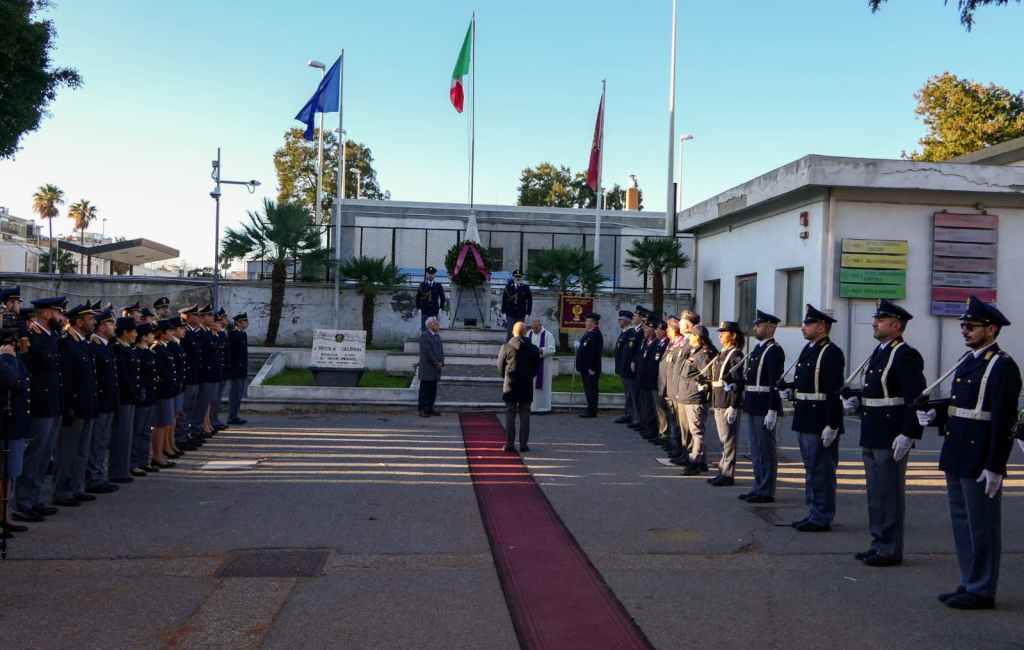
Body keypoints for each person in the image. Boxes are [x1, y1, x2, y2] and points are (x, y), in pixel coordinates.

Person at [917, 296, 1021, 610]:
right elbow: (960, 408)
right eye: (963, 326)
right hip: (957, 451)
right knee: (962, 522)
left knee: (982, 525)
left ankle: (982, 588)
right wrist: (935, 415)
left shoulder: (1002, 366)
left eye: (972, 326)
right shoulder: (968, 361)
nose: (965, 331)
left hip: (980, 457)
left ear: (991, 329)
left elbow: (1003, 420)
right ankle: (968, 581)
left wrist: (996, 465)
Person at [841, 300, 926, 567]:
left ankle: (890, 548)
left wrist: (909, 433)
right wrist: (856, 401)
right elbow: (877, 392)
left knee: (889, 493)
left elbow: (916, 398)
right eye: (876, 319)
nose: (875, 323)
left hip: (891, 433)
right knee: (875, 493)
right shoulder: (879, 352)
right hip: (872, 431)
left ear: (896, 325)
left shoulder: (905, 354)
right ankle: (878, 542)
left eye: (881, 319)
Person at [781, 304, 846, 532]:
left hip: (820, 420)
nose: (803, 327)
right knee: (811, 469)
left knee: (822, 470)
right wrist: (791, 390)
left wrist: (832, 424)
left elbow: (833, 391)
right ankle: (813, 511)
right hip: (805, 417)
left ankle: (822, 515)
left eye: (807, 323)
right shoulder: (809, 349)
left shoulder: (831, 352)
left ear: (822, 327)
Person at [14, 296, 65, 522]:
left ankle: (35, 499)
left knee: (45, 455)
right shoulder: (32, 338)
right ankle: (23, 502)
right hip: (39, 404)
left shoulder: (51, 337)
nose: (61, 317)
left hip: (53, 403)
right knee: (34, 455)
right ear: (45, 313)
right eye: (57, 312)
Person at [53, 303, 100, 507]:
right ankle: (62, 491)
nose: (93, 322)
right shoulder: (67, 344)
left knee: (82, 450)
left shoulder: (83, 343)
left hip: (87, 405)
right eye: (89, 319)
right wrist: (69, 406)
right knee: (67, 452)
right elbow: (67, 379)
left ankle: (76, 487)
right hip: (74, 407)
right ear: (79, 322)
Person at [739, 310, 785, 504]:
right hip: (753, 403)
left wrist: (773, 410)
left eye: (759, 325)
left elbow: (775, 382)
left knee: (766, 449)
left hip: (765, 404)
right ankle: (758, 486)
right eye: (756, 325)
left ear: (770, 327)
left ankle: (766, 489)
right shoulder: (757, 349)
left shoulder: (774, 350)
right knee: (756, 450)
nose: (755, 328)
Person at [84, 309, 120, 495]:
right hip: (100, 403)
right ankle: (93, 477)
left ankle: (98, 474)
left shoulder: (106, 346)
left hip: (108, 402)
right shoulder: (94, 347)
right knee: (96, 442)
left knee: (102, 441)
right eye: (111, 324)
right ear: (103, 326)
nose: (114, 327)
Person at [0, 327, 30, 537]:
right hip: (4, 424)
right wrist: (8, 360)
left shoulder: (15, 359)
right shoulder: (6, 361)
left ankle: (4, 516)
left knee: (9, 474)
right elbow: (13, 382)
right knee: (2, 473)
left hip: (14, 424)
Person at [707, 321, 745, 487]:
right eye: (720, 332)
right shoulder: (723, 353)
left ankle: (728, 474)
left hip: (727, 401)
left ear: (733, 335)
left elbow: (738, 382)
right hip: (718, 399)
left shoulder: (735, 354)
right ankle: (723, 470)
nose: (720, 334)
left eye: (724, 332)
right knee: (724, 439)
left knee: (728, 439)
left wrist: (734, 405)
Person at [679, 325, 718, 476]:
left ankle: (694, 462)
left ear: (698, 337)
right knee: (696, 430)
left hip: (696, 398)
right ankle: (702, 463)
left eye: (692, 336)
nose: (689, 338)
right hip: (690, 396)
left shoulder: (703, 354)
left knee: (697, 431)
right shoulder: (696, 351)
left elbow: (707, 376)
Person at [497, 321, 540, 452]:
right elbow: (536, 369)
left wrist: (505, 376)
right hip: (526, 385)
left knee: (510, 415)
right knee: (525, 415)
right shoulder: (533, 348)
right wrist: (528, 377)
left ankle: (510, 444)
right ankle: (523, 445)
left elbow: (500, 366)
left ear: (513, 332)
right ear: (526, 332)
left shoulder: (506, 347)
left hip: (511, 385)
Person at [110, 317, 141, 483]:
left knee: (127, 435)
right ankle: (117, 470)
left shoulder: (128, 349)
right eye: (133, 331)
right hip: (123, 398)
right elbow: (123, 377)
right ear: (125, 333)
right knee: (120, 436)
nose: (136, 334)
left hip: (130, 398)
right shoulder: (117, 350)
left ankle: (123, 468)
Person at [149, 320, 178, 469]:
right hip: (161, 393)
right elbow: (158, 373)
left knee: (164, 423)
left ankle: (160, 454)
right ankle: (157, 455)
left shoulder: (164, 347)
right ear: (162, 332)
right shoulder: (157, 348)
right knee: (159, 424)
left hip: (167, 392)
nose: (173, 333)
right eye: (170, 331)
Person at [130, 323, 158, 476]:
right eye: (150, 334)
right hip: (142, 397)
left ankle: (143, 460)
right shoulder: (137, 353)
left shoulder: (149, 353)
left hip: (150, 396)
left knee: (146, 431)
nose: (153, 336)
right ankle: (134, 463)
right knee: (138, 431)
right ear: (143, 337)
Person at [180, 305, 207, 444]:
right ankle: (183, 436)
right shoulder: (185, 334)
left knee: (192, 407)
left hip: (196, 376)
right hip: (189, 377)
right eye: (195, 315)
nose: (199, 317)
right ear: (187, 317)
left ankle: (189, 433)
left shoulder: (197, 332)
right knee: (185, 408)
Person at [634, 317, 661, 441]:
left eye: (647, 328)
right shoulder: (645, 342)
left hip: (650, 381)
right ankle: (645, 425)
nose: (644, 330)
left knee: (651, 407)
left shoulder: (655, 344)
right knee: (644, 405)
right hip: (642, 379)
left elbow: (653, 365)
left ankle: (652, 429)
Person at [613, 310, 641, 425]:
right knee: (628, 394)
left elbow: (631, 353)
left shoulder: (631, 333)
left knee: (632, 394)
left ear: (627, 320)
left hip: (629, 370)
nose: (619, 321)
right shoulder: (624, 333)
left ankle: (635, 417)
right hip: (623, 369)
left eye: (621, 319)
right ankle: (628, 414)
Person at [575, 313, 603, 418]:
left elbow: (595, 353)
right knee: (588, 389)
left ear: (593, 323)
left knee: (592, 389)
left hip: (591, 368)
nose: (586, 323)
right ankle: (590, 409)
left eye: (588, 321)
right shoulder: (589, 333)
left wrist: (592, 367)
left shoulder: (595, 334)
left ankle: (592, 411)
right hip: (585, 367)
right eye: (586, 321)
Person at [525, 317, 555, 414]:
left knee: (543, 386)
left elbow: (552, 349)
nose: (534, 330)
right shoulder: (528, 333)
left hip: (544, 366)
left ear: (540, 326)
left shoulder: (548, 335)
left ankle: (543, 408)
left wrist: (540, 350)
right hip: (530, 365)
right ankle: (531, 407)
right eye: (533, 328)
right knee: (530, 386)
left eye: (536, 328)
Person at [418, 316, 444, 417]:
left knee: (433, 389)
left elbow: (441, 351)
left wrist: (441, 361)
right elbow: (427, 352)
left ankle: (430, 408)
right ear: (429, 325)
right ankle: (422, 409)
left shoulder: (437, 336)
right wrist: (436, 362)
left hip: (436, 368)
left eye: (437, 323)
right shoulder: (425, 336)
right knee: (425, 389)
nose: (437, 325)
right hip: (427, 367)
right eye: (435, 323)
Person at [227, 312, 249, 425]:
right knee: (235, 393)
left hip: (242, 369)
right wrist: (232, 369)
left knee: (239, 394)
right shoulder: (233, 334)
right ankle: (231, 416)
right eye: (244, 321)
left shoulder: (243, 334)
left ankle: (235, 415)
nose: (247, 323)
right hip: (236, 369)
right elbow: (232, 354)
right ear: (238, 323)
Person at [501, 270, 532, 341]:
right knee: (510, 333)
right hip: (510, 313)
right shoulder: (508, 287)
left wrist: (528, 313)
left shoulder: (526, 288)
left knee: (520, 333)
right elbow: (504, 300)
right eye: (516, 277)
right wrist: (503, 312)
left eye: (519, 277)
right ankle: (509, 350)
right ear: (513, 277)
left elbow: (529, 302)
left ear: (522, 277)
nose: (518, 278)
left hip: (521, 314)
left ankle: (519, 350)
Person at [415, 266, 446, 332]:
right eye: (429, 274)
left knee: (434, 331)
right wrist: (418, 308)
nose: (430, 276)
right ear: (426, 274)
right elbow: (418, 297)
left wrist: (441, 308)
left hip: (434, 311)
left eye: (432, 274)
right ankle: (424, 342)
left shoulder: (438, 285)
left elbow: (442, 298)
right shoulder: (422, 285)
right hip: (425, 311)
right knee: (424, 330)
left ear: (435, 275)